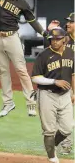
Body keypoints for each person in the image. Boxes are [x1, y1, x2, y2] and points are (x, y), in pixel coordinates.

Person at [31, 27, 74, 163]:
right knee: (49, 130)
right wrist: (55, 82)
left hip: (65, 95)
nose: (54, 42)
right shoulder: (43, 55)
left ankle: (51, 146)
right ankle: (52, 157)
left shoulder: (71, 53)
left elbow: (73, 74)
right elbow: (35, 78)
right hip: (47, 95)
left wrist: (74, 93)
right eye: (52, 39)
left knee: (67, 128)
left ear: (64, 39)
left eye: (57, 39)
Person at [46, 12, 75, 155]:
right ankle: (66, 145)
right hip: (68, 83)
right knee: (63, 115)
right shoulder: (66, 40)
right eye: (68, 21)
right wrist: (49, 31)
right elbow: (51, 45)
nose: (68, 23)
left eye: (71, 22)